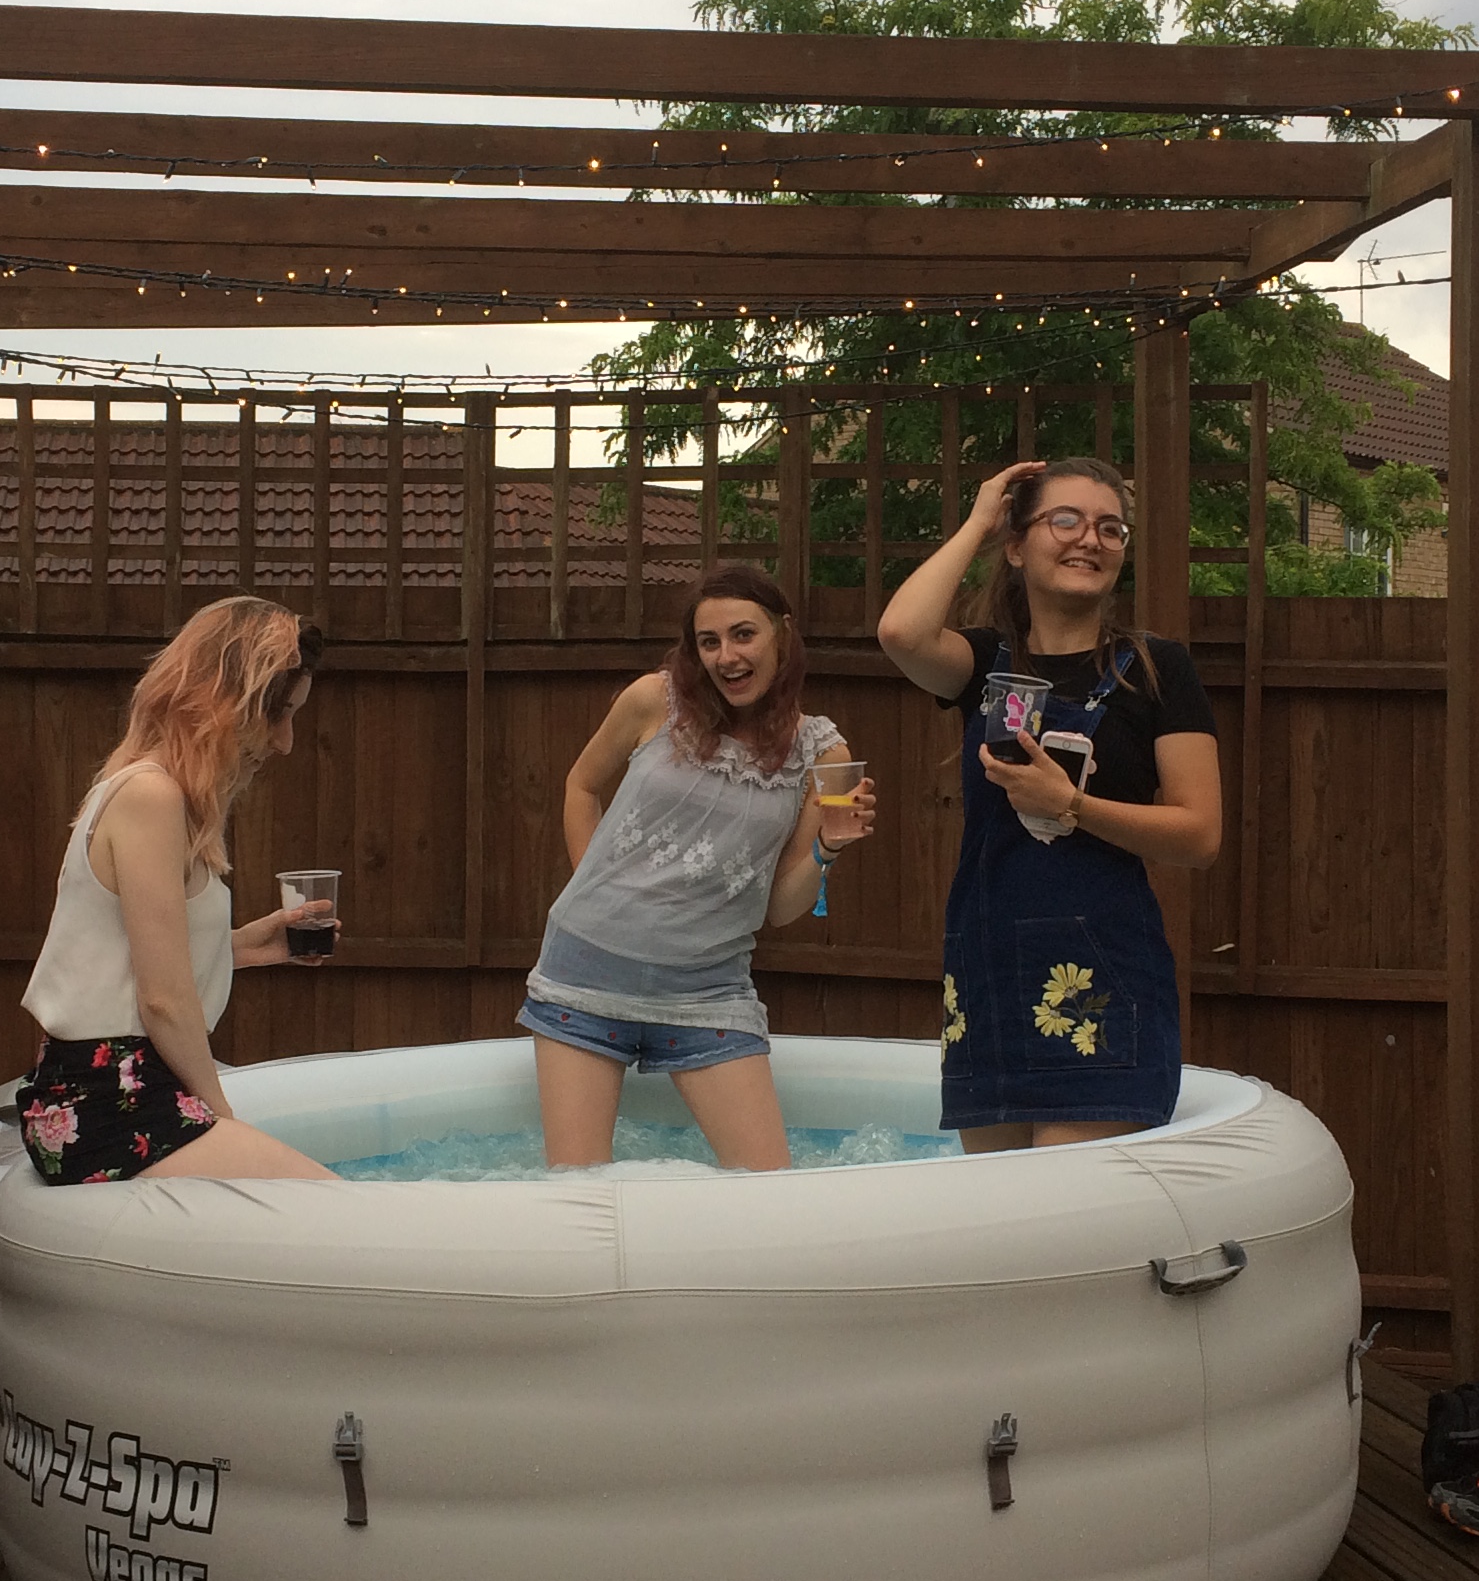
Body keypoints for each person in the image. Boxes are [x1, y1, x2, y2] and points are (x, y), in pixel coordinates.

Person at [877, 455, 1221, 1147]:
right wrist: (977, 521)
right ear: (1016, 544)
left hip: (1099, 976)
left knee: (1065, 1223)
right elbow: (900, 634)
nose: (1089, 539)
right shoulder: (983, 664)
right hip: (987, 972)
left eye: (1110, 528)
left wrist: (1073, 805)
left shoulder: (1158, 669)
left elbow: (1199, 834)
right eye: (1064, 520)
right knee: (999, 1228)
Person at [522, 564, 878, 1170]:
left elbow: (780, 908)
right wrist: (590, 880)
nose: (726, 657)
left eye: (744, 635)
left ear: (782, 636)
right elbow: (581, 785)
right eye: (708, 642)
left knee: (771, 1189)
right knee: (576, 1194)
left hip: (709, 992)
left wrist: (829, 849)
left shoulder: (822, 752)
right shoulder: (652, 701)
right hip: (585, 974)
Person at [15, 596, 338, 1182]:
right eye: (279, 714)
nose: (287, 741)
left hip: (107, 1086)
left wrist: (248, 946)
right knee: (336, 1208)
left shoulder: (148, 790)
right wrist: (223, 1115)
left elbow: (127, 959)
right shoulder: (151, 797)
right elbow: (161, 1000)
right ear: (224, 704)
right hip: (108, 1099)